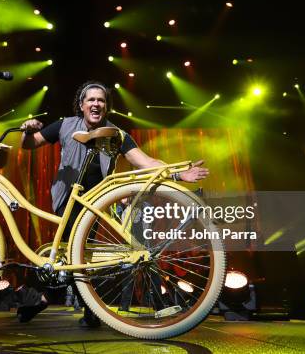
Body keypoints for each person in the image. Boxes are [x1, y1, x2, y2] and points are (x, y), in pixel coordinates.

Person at [18, 81, 210, 325]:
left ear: (106, 106)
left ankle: (47, 300)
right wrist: (27, 130)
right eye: (91, 100)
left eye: (101, 100)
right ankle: (68, 305)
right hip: (67, 199)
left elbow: (146, 162)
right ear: (82, 104)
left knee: (76, 257)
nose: (96, 104)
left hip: (96, 203)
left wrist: (177, 174)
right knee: (74, 256)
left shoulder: (117, 134)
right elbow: (30, 144)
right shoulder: (66, 125)